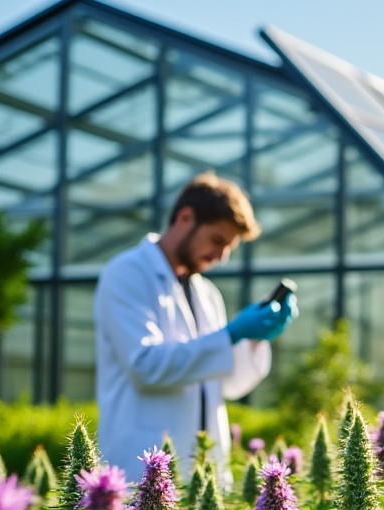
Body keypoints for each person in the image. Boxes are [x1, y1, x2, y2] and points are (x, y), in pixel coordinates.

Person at [94, 173, 297, 479]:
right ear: (185, 218)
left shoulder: (207, 294)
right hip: (140, 466)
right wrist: (231, 334)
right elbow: (145, 366)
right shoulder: (126, 273)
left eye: (229, 247)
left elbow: (228, 384)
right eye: (217, 240)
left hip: (204, 470)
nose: (221, 256)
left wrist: (255, 338)